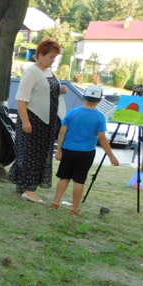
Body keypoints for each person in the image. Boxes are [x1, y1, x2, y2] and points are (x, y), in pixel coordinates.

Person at [8, 38, 68, 204]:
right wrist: (26, 122)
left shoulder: (49, 72)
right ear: (40, 55)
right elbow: (21, 99)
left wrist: (60, 90)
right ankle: (29, 190)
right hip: (32, 119)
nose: (52, 60)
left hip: (47, 122)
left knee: (40, 155)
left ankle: (23, 185)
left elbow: (45, 91)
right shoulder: (32, 72)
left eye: (54, 57)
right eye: (50, 57)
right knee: (29, 155)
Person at [50, 84, 119, 216]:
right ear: (99, 100)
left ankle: (55, 202)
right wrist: (111, 156)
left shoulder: (72, 112)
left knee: (64, 177)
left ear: (84, 97)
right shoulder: (100, 117)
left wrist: (59, 149)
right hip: (86, 153)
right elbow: (102, 138)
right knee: (79, 180)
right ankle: (74, 209)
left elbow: (62, 132)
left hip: (69, 150)